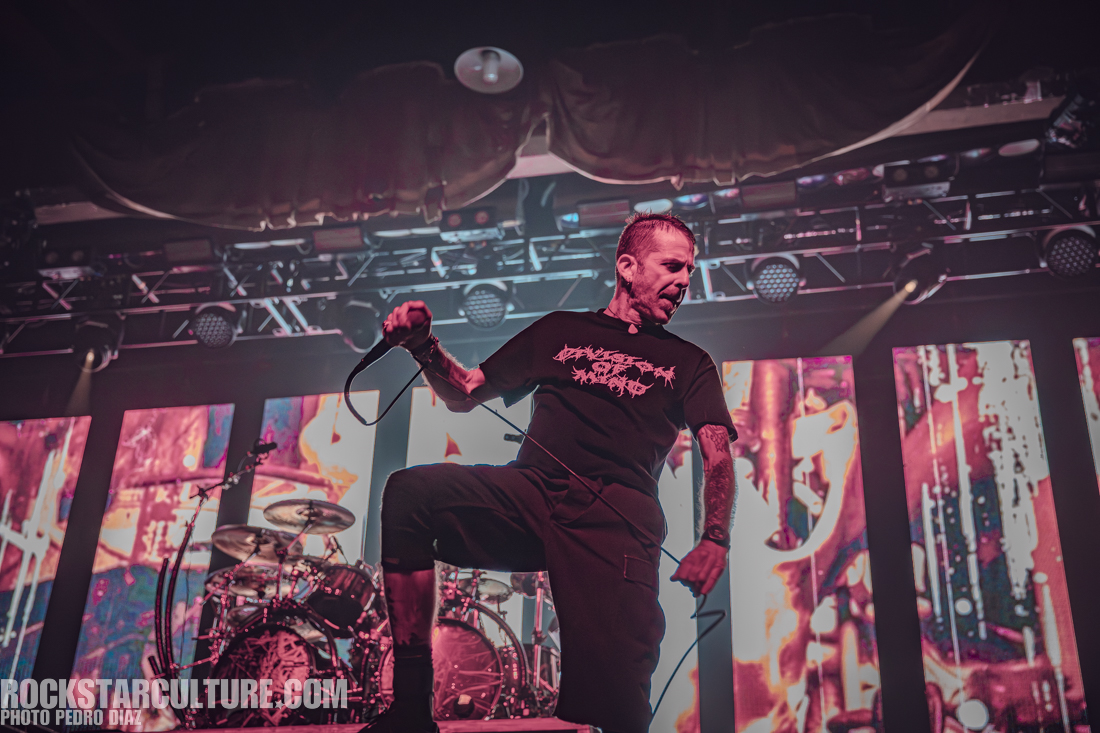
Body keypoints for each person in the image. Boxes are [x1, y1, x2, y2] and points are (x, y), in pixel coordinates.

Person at [364, 212, 738, 733]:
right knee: (410, 493)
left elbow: (716, 452)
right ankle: (409, 707)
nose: (683, 282)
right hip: (533, 491)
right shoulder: (562, 330)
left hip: (617, 519)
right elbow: (465, 394)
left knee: (613, 709)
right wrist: (423, 347)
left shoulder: (690, 362)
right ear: (628, 267)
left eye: (690, 273)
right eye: (672, 266)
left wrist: (715, 537)